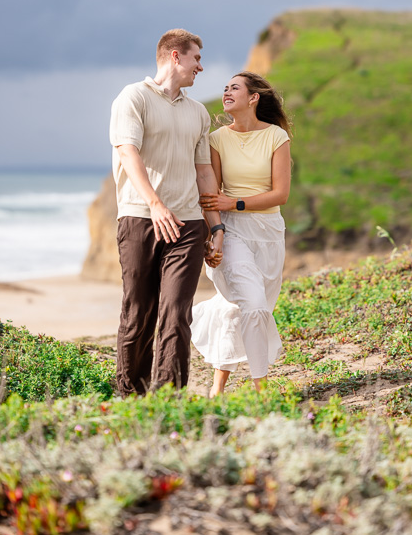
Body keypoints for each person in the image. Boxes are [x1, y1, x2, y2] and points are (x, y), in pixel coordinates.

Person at [109, 29, 224, 396]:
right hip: (140, 218)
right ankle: (131, 396)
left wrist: (215, 227)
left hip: (188, 224)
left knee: (177, 313)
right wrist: (156, 206)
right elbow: (129, 154)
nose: (200, 67)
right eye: (196, 59)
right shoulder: (133, 97)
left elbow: (204, 171)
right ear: (175, 56)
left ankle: (169, 400)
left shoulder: (198, 112)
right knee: (138, 313)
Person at [191, 71, 291, 396]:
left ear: (253, 98)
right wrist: (215, 234)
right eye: (225, 88)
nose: (226, 91)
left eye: (235, 87)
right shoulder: (217, 139)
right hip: (232, 233)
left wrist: (235, 202)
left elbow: (280, 194)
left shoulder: (276, 136)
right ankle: (261, 389)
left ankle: (217, 387)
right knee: (255, 306)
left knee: (242, 308)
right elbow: (211, 195)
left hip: (269, 233)